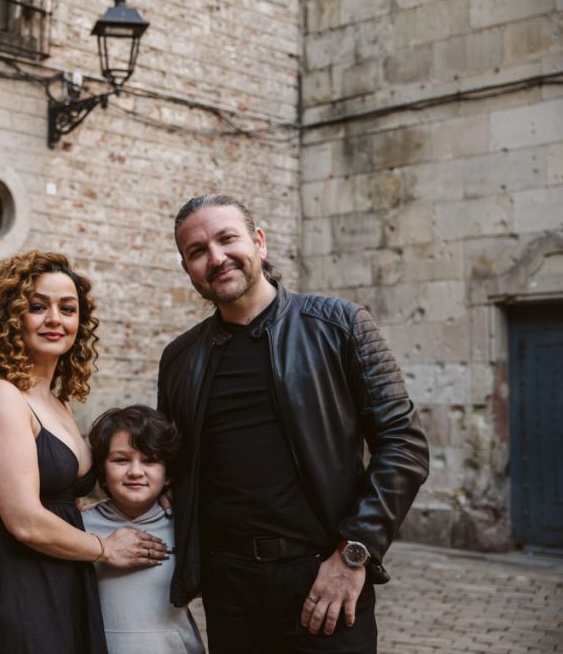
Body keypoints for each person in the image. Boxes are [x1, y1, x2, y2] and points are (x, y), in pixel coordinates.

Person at [158, 195, 430, 653]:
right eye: (197, 251)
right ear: (187, 267)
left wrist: (354, 553)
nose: (217, 258)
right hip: (230, 591)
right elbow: (169, 461)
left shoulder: (341, 325)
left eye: (227, 239)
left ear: (259, 242)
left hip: (324, 576)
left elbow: (403, 444)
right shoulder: (180, 359)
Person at [0, 250, 168, 654]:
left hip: (57, 570)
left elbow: (47, 497)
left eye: (68, 308)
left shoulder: (55, 402)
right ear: (9, 317)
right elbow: (24, 519)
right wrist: (106, 548)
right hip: (14, 580)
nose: (55, 319)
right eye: (38, 307)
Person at [82, 405, 206, 654]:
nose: (136, 472)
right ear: (102, 473)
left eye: (150, 460)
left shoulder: (187, 528)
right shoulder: (78, 528)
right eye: (120, 460)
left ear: (168, 474)